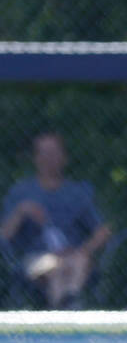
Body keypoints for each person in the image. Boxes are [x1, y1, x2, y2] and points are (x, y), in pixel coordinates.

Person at [0, 131, 112, 309]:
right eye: (43, 153)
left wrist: (83, 250)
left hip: (74, 257)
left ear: (64, 157)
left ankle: (64, 305)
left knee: (75, 263)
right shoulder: (20, 192)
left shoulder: (78, 193)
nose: (48, 158)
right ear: (35, 158)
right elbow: (4, 235)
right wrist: (21, 211)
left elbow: (103, 230)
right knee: (57, 267)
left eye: (53, 152)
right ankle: (70, 306)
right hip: (35, 260)